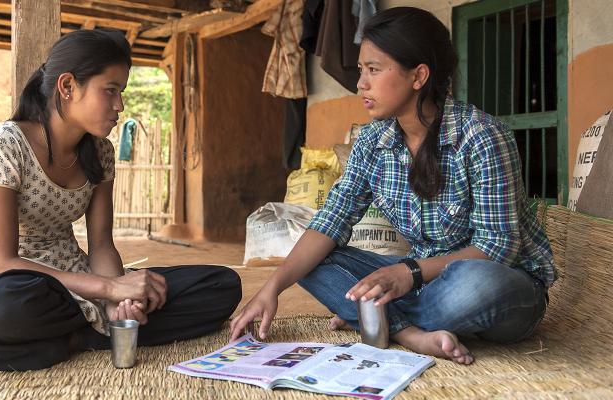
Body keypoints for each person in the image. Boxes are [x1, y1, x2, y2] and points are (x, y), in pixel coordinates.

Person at [231, 7, 556, 365]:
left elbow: (499, 247)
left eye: (373, 69)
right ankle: (410, 333)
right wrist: (271, 289)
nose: (360, 84)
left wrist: (408, 272)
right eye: (361, 70)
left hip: (503, 289)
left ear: (418, 76)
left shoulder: (482, 136)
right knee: (305, 257)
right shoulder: (372, 142)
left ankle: (376, 316)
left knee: (477, 283)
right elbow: (330, 221)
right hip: (424, 283)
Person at [0, 29, 241, 371]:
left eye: (122, 92)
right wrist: (109, 288)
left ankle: (83, 333)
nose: (120, 105)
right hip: (21, 289)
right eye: (110, 90)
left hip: (82, 283)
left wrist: (119, 302)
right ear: (68, 87)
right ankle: (87, 334)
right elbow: (0, 262)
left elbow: (101, 244)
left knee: (221, 285)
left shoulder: (100, 151)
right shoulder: (6, 145)